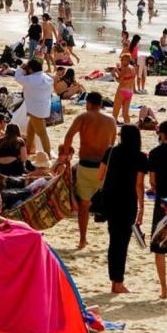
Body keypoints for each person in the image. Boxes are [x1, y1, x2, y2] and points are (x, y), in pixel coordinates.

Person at [58, 91, 117, 249]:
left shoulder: (83, 117)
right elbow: (111, 144)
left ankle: (83, 239)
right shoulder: (111, 120)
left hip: (86, 165)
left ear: (88, 103)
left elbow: (69, 135)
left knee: (84, 206)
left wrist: (66, 154)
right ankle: (113, 241)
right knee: (111, 204)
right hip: (103, 167)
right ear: (101, 104)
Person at [97, 125, 147, 294]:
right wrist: (142, 207)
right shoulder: (140, 157)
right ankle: (118, 282)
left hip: (111, 199)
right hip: (128, 201)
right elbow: (139, 185)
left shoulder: (111, 152)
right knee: (122, 243)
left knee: (114, 240)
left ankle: (114, 281)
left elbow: (100, 176)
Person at [149, 121, 167, 299]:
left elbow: (152, 182)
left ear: (162, 134)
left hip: (163, 203)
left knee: (159, 247)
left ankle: (164, 289)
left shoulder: (154, 153)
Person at [13, 59, 53, 156]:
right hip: (43, 107)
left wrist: (22, 67)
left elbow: (17, 77)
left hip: (35, 109)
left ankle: (48, 154)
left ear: (31, 69)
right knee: (30, 131)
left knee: (42, 133)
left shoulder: (32, 79)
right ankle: (27, 150)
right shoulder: (48, 78)